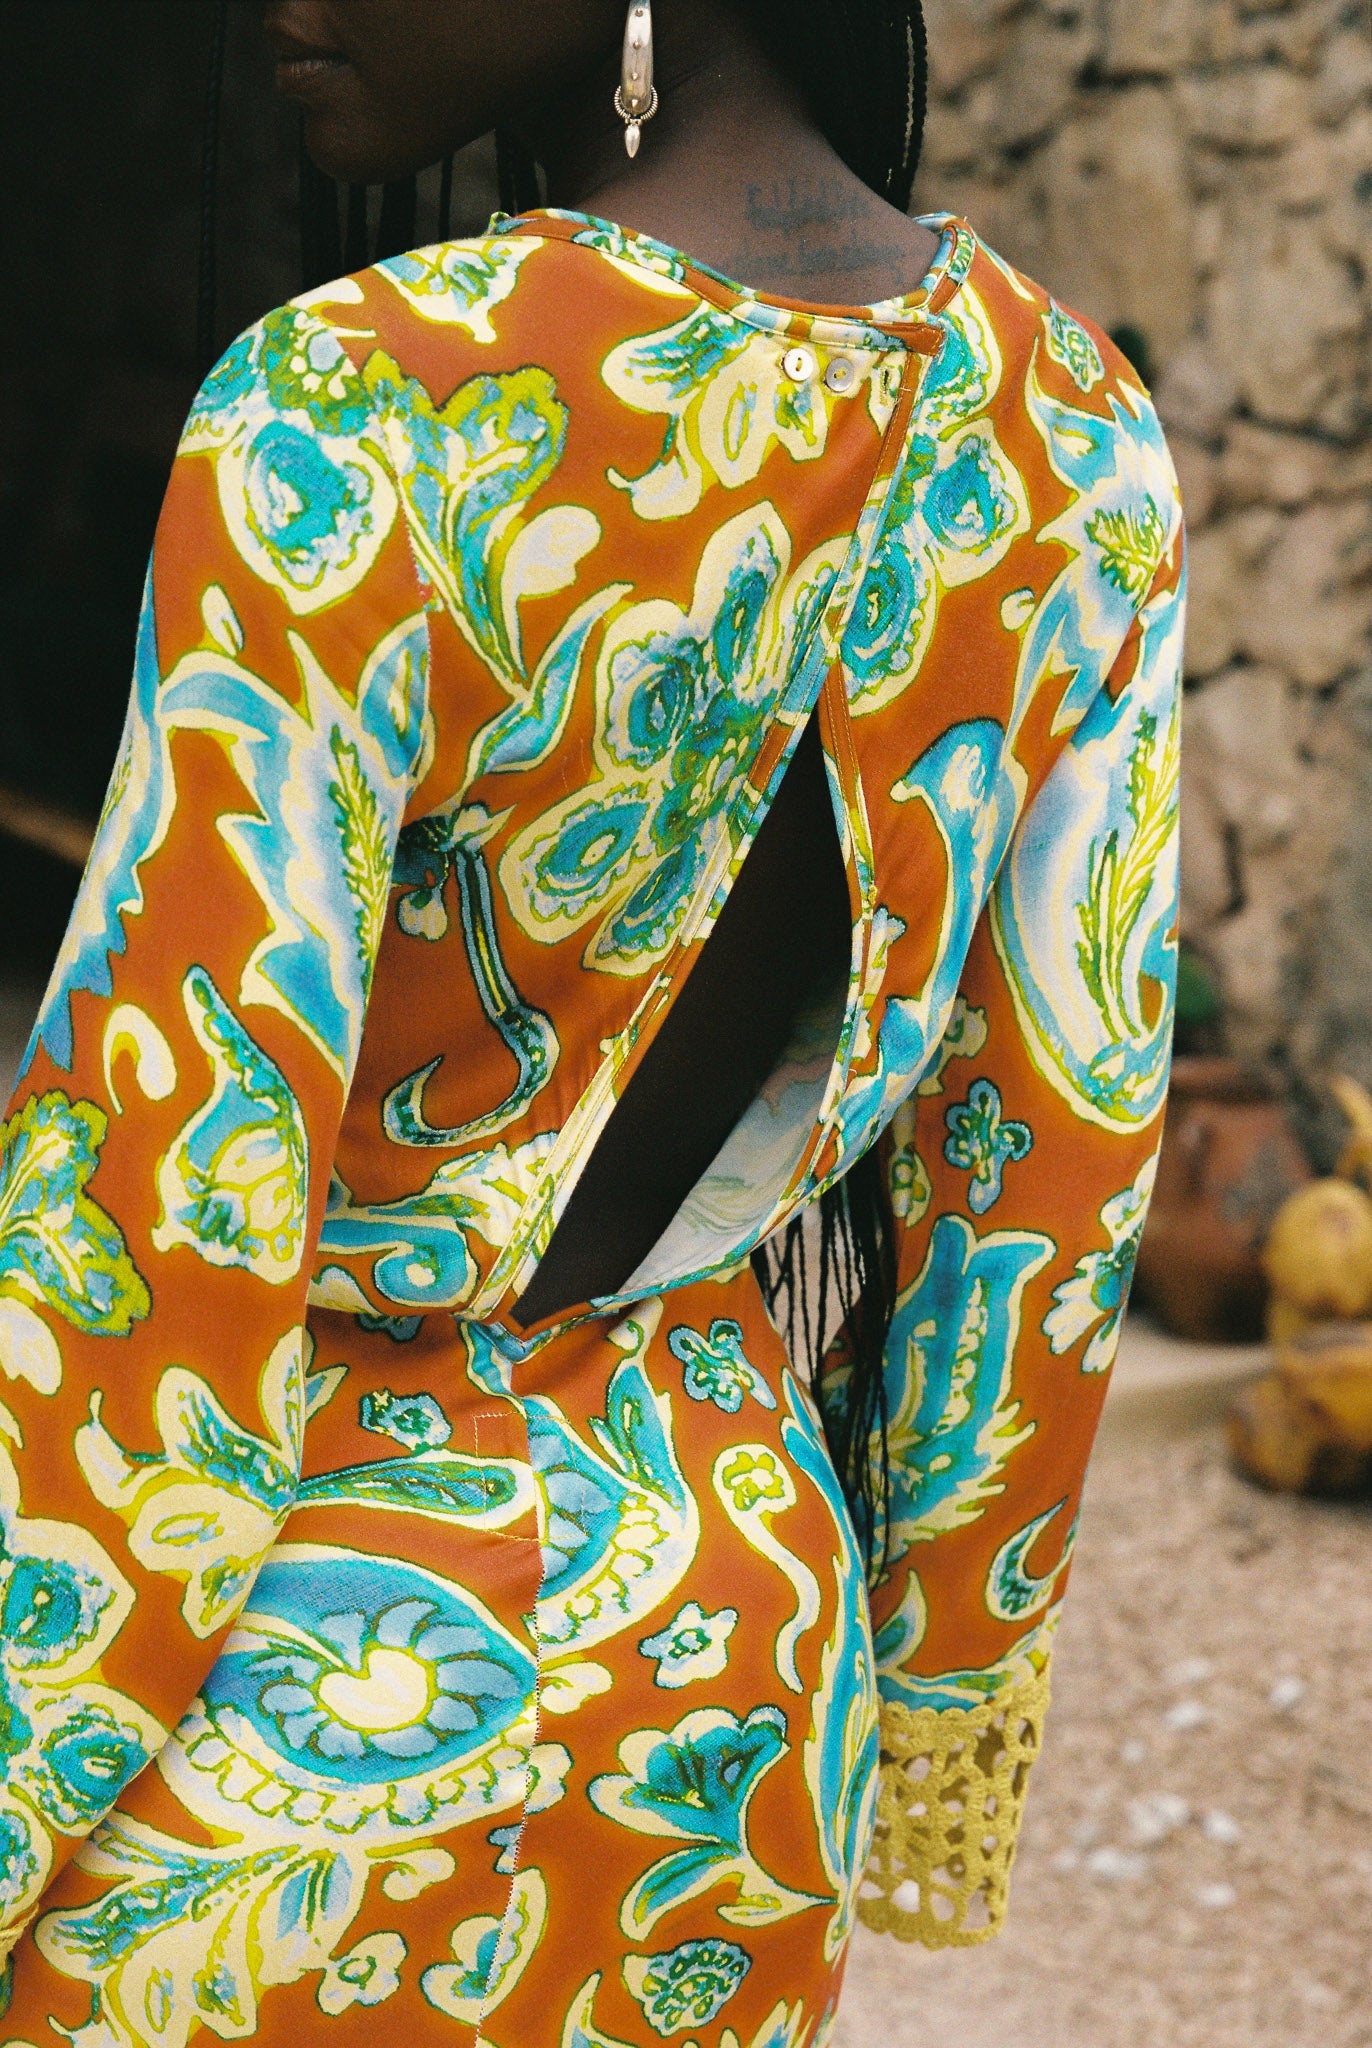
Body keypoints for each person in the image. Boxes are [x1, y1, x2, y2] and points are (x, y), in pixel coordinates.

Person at [0, 1, 1183, 2041]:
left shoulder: (354, 404)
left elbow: (158, 1209)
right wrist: (940, 1677)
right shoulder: (1068, 434)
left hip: (278, 1697)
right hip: (733, 1664)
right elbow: (1046, 1176)